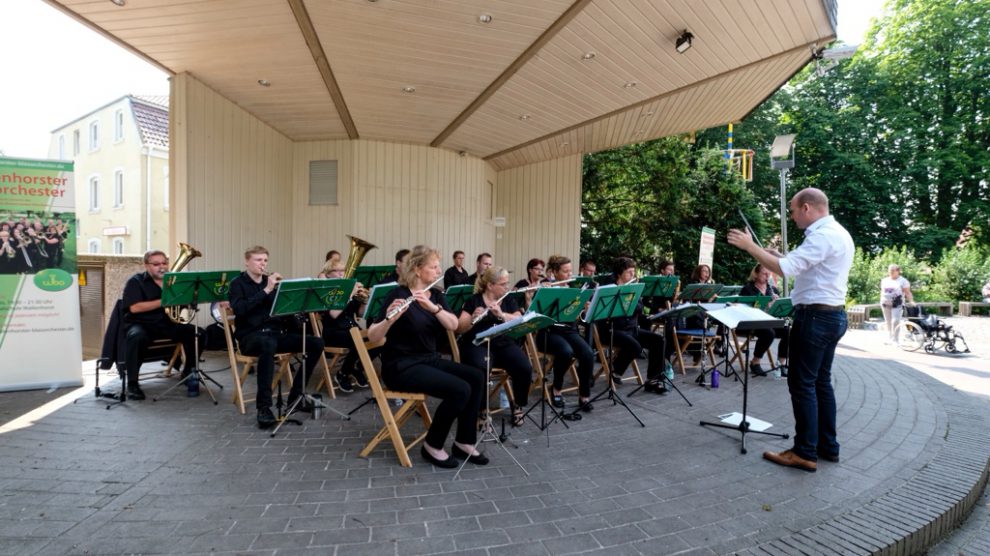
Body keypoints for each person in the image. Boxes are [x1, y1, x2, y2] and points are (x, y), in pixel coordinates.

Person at [728, 187, 854, 473]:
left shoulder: (822, 236)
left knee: (802, 384)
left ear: (807, 208)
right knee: (821, 383)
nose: (792, 216)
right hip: (833, 316)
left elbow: (786, 269)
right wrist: (776, 254)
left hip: (815, 318)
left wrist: (751, 246)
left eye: (793, 210)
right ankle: (827, 446)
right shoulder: (837, 233)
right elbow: (803, 265)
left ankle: (804, 451)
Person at [368, 245, 488, 468]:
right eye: (433, 266)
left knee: (476, 376)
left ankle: (464, 441)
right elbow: (374, 337)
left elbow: (453, 325)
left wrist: (433, 308)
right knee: (459, 389)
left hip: (428, 360)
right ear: (416, 269)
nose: (438, 270)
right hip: (401, 366)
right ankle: (432, 445)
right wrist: (390, 320)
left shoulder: (437, 295)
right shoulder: (397, 294)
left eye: (438, 266)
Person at [229, 246, 326, 428]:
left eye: (265, 260)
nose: (262, 264)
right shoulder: (237, 283)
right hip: (250, 337)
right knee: (267, 343)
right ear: (247, 261)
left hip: (275, 334)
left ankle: (296, 398)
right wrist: (266, 290)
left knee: (316, 343)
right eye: (258, 260)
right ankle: (264, 408)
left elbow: (283, 312)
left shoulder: (270, 282)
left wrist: (290, 298)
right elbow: (240, 309)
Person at [456, 266, 533, 426]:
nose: (507, 287)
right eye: (503, 284)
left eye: (507, 283)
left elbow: (519, 320)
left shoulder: (508, 300)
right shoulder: (473, 301)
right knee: (481, 368)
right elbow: (459, 328)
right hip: (478, 344)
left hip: (503, 344)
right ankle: (482, 410)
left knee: (524, 367)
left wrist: (502, 314)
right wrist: (472, 319)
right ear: (490, 285)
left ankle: (518, 404)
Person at [121, 249, 203, 400]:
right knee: (136, 337)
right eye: (156, 264)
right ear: (146, 265)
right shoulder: (135, 281)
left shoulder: (174, 281)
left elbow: (181, 307)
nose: (162, 267)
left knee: (198, 333)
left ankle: (188, 372)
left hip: (166, 323)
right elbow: (134, 307)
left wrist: (189, 299)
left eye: (164, 263)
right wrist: (162, 301)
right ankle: (132, 383)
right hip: (142, 323)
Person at [598, 257, 669, 394]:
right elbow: (603, 311)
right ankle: (615, 371)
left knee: (659, 340)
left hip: (631, 329)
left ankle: (653, 380)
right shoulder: (609, 288)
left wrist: (632, 300)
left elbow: (639, 309)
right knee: (635, 347)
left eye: (633, 272)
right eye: (629, 272)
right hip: (611, 330)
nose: (633, 275)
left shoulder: (633, 288)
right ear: (619, 273)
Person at [539, 255, 595, 411]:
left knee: (588, 353)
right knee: (566, 351)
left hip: (568, 331)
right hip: (549, 332)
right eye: (565, 272)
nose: (570, 275)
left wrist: (584, 308)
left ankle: (584, 396)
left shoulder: (573, 289)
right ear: (555, 272)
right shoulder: (546, 287)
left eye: (571, 271)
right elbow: (536, 314)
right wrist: (541, 291)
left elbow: (576, 317)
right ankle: (556, 388)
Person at [318, 259, 374, 392]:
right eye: (335, 271)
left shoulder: (348, 288)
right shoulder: (327, 290)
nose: (340, 274)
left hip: (352, 330)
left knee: (377, 338)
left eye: (342, 271)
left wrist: (365, 300)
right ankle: (343, 373)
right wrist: (349, 294)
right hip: (334, 332)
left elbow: (361, 314)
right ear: (328, 274)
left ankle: (355, 368)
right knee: (358, 340)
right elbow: (333, 314)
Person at [740, 263, 789, 376]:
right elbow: (745, 310)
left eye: (769, 274)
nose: (767, 276)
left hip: (769, 321)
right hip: (751, 321)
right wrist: (767, 306)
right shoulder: (748, 289)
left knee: (788, 331)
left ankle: (781, 364)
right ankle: (755, 362)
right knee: (768, 333)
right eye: (764, 273)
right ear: (756, 274)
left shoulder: (773, 290)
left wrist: (776, 306)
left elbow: (777, 312)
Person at [880, 264, 913, 343]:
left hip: (897, 304)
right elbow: (882, 291)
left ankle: (895, 339)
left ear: (898, 271)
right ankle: (890, 338)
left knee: (895, 321)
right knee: (888, 322)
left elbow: (907, 292)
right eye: (889, 270)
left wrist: (911, 301)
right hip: (885, 304)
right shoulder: (884, 280)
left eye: (892, 270)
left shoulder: (903, 281)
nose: (890, 272)